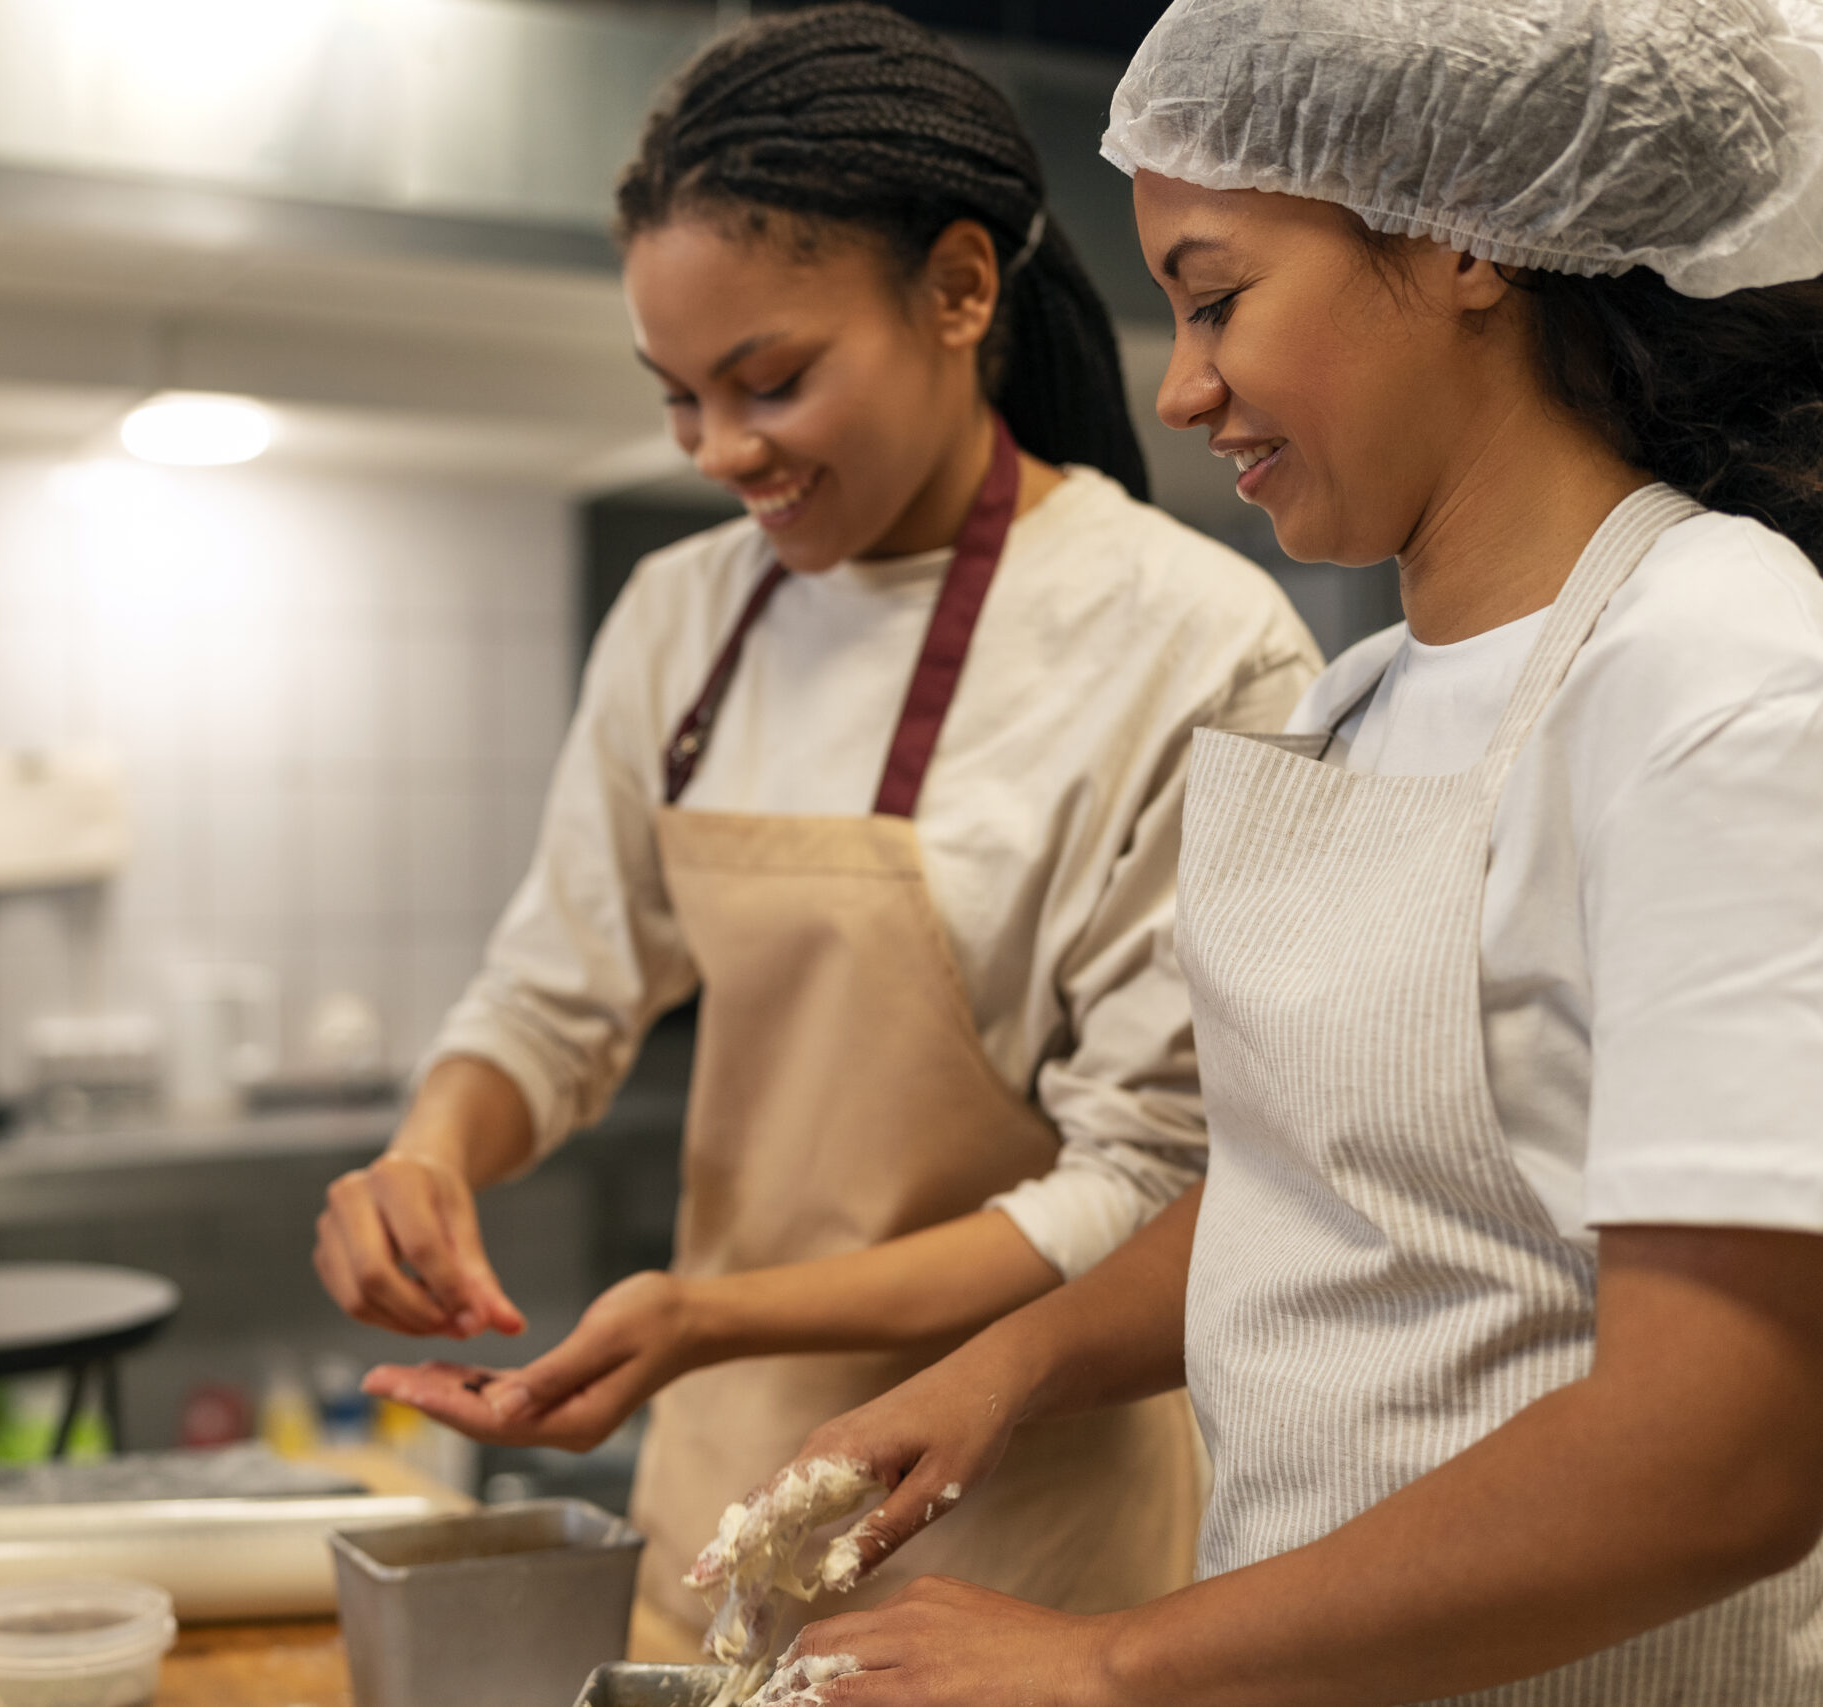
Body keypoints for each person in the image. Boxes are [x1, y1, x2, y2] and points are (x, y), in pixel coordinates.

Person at [740, 0, 1823, 1701]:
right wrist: (1012, 1368)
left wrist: (1111, 1664)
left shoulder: (1717, 680)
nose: (1180, 387)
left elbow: (1725, 1455)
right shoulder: (1359, 702)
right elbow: (1323, 1184)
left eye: (1217, 296)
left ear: (1464, 238)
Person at [307, 3, 1320, 1655]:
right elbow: (554, 995)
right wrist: (433, 1150)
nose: (720, 453)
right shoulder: (679, 619)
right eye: (677, 400)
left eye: (768, 381)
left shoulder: (1192, 645)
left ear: (960, 292)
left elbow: (1142, 1187)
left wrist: (708, 1315)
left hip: (1034, 1546)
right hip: (722, 1503)